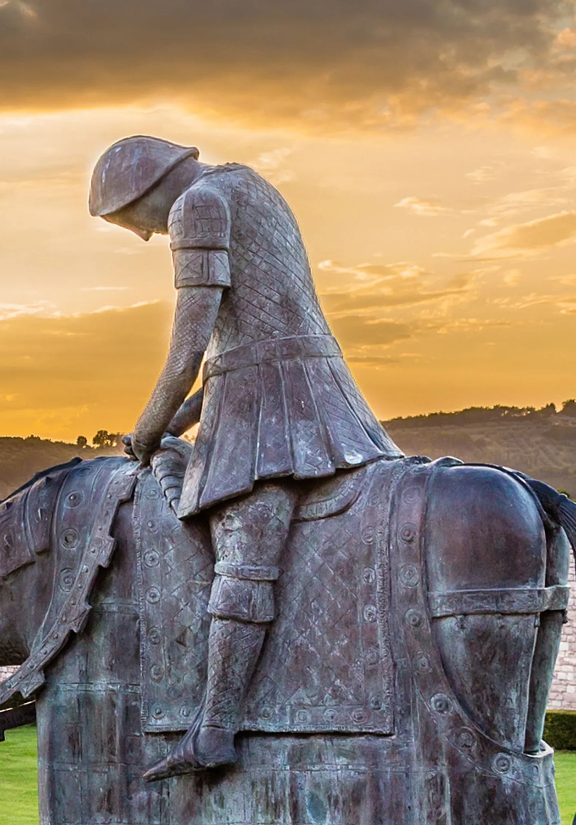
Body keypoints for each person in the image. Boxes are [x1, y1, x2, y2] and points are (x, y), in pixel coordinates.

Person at [89, 135, 399, 779]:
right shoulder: (250, 184)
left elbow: (190, 345)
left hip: (275, 412)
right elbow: (254, 341)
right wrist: (181, 421)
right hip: (304, 388)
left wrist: (147, 430)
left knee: (243, 561)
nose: (143, 236)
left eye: (129, 222)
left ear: (145, 192)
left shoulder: (196, 205)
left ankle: (215, 728)